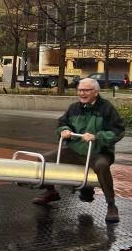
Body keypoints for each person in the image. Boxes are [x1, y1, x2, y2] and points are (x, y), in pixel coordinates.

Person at [33, 77, 125, 224]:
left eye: (86, 90)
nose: (82, 93)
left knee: (101, 166)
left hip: (98, 152)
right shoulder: (74, 107)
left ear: (95, 92)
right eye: (80, 90)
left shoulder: (106, 108)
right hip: (75, 151)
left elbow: (118, 130)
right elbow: (62, 123)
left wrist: (97, 137)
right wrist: (64, 130)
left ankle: (111, 205)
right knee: (44, 159)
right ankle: (51, 192)